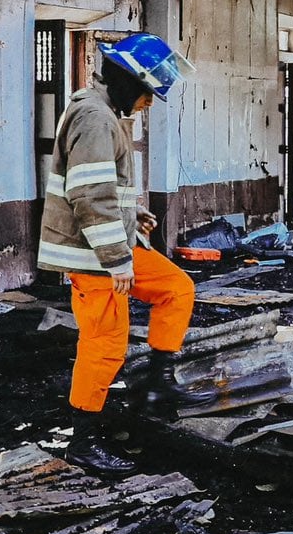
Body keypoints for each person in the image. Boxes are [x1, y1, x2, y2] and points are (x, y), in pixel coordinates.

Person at [39, 32, 209, 476]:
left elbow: (103, 189)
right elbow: (89, 195)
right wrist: (117, 259)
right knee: (104, 342)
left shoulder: (105, 114)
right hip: (93, 257)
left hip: (115, 246)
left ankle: (158, 384)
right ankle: (83, 440)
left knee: (176, 287)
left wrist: (133, 215)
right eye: (148, 93)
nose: (149, 103)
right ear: (128, 82)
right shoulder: (93, 117)